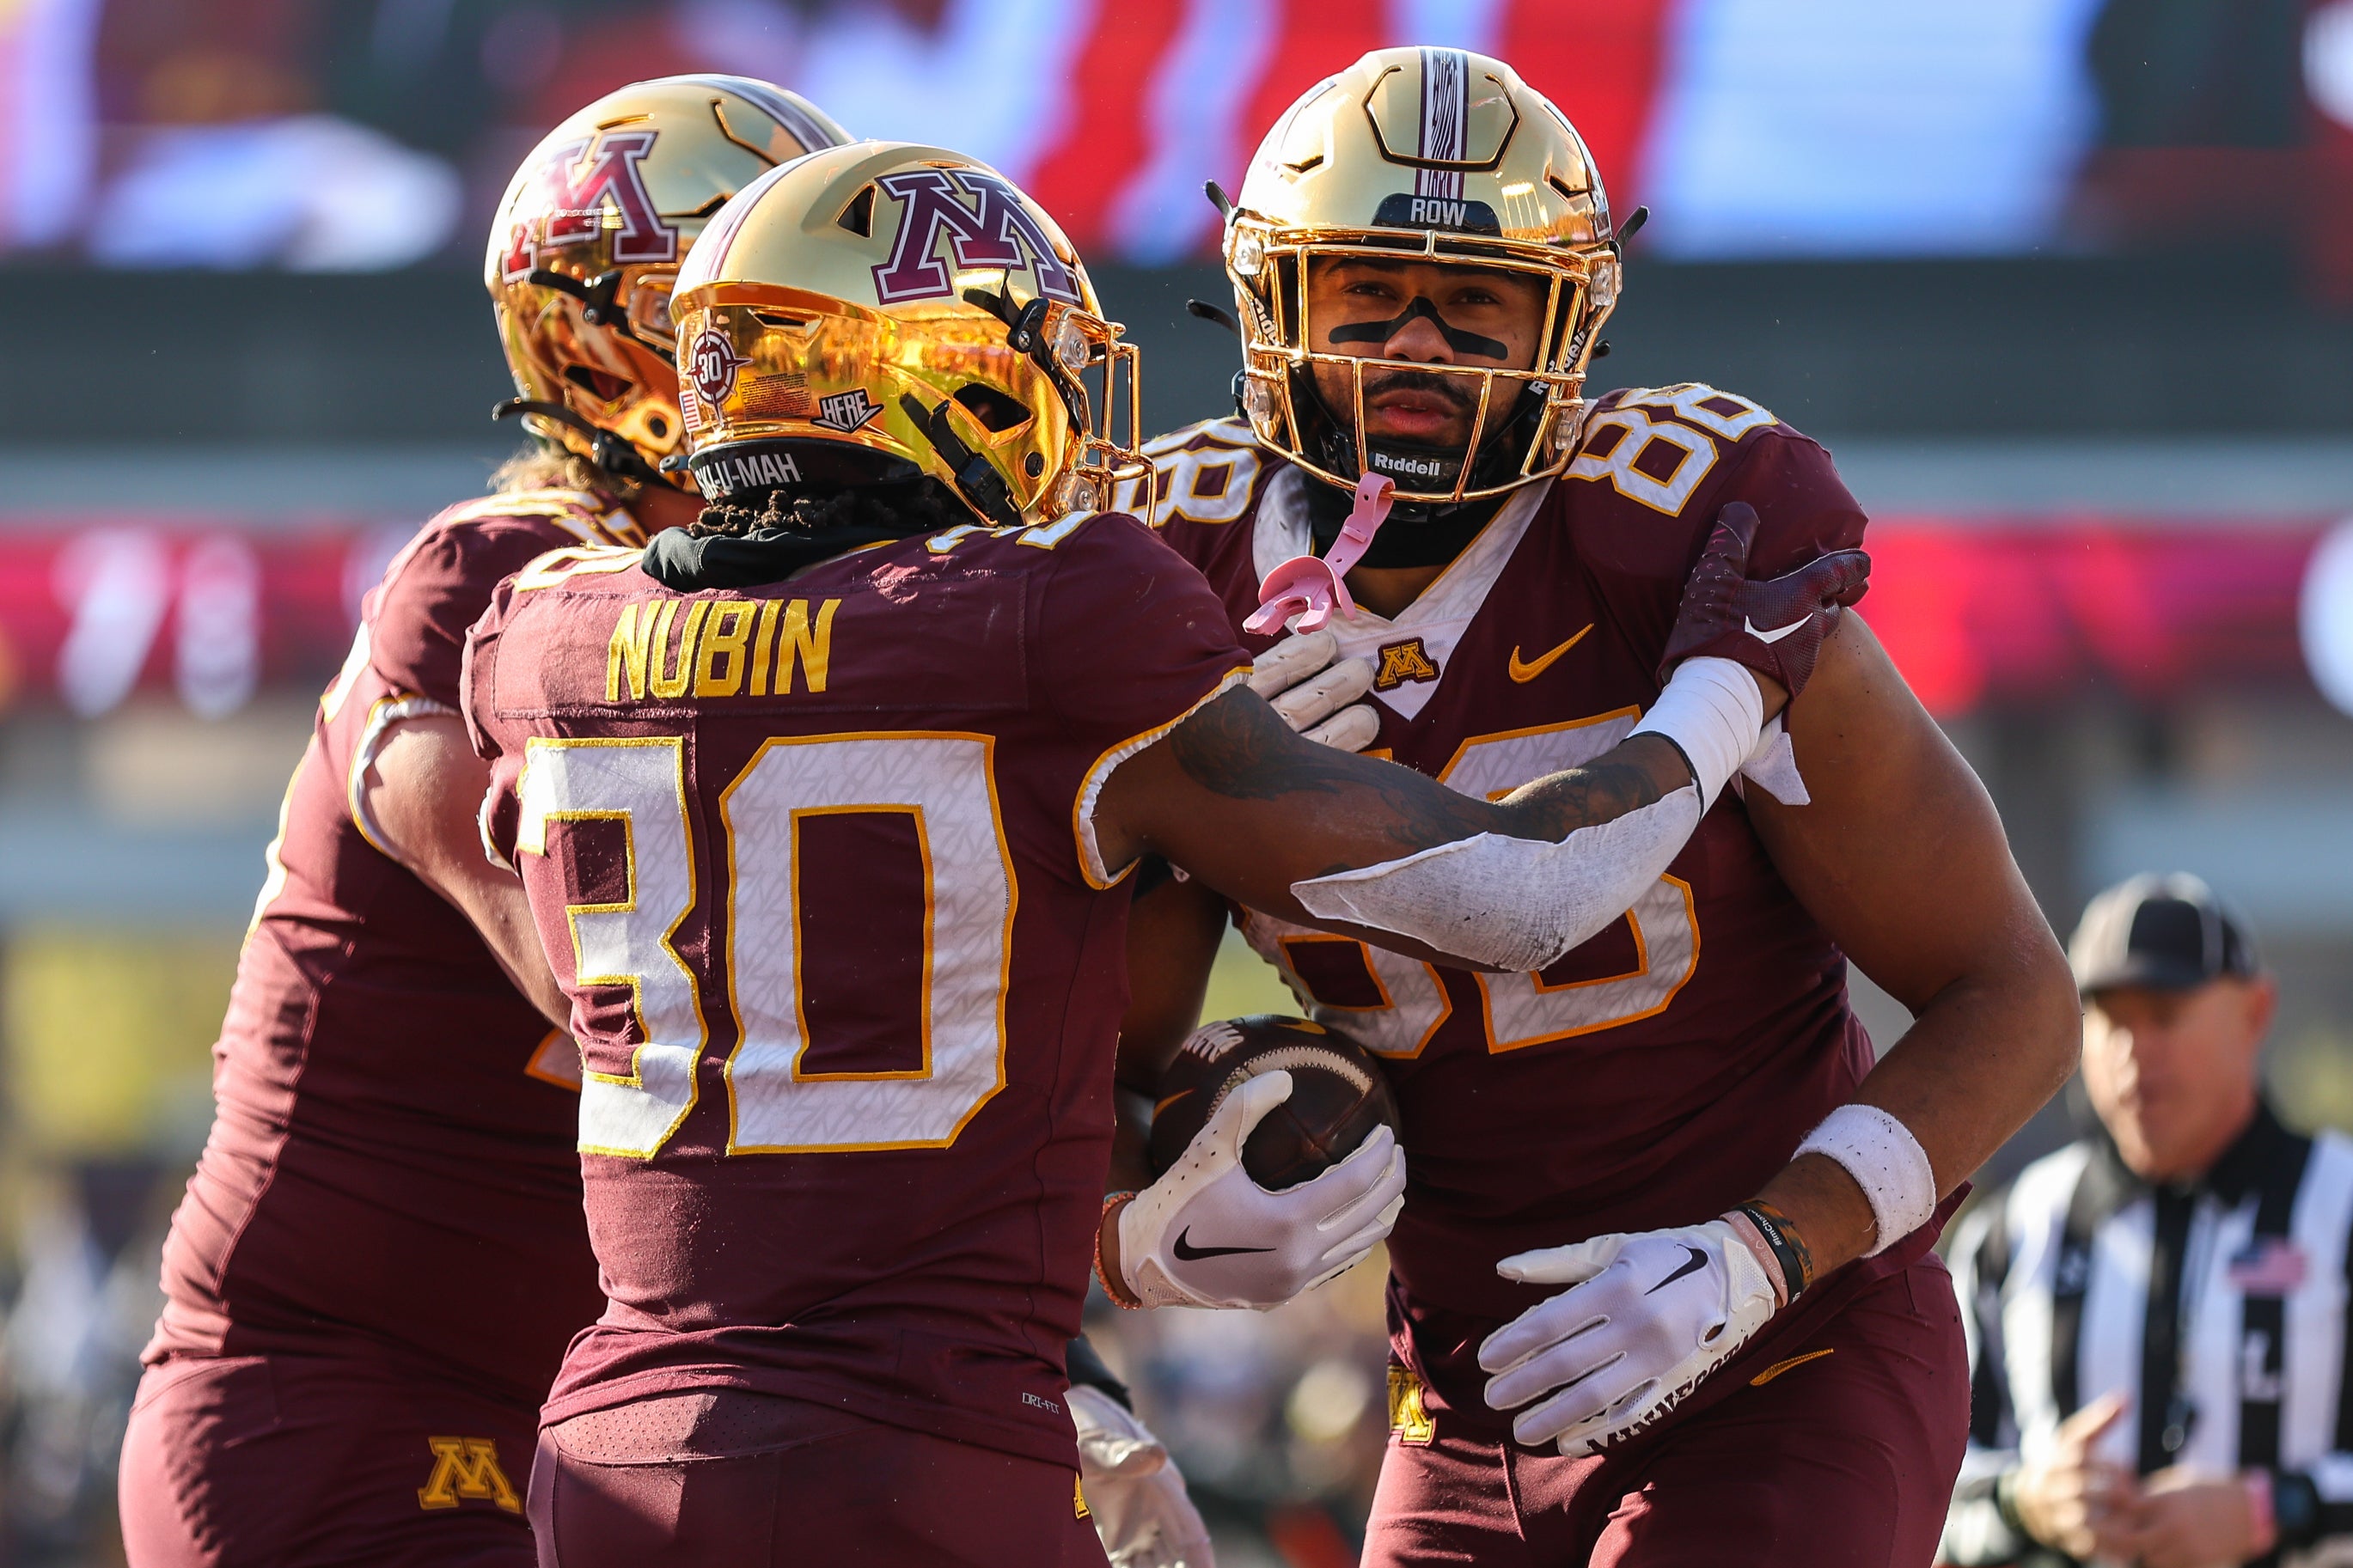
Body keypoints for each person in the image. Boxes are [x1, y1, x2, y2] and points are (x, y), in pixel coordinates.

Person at [460, 137, 1860, 1568]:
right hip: (922, 1445)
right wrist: (1724, 682)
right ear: (940, 372)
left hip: (613, 1446)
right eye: (1033, 364)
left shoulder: (537, 638)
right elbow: (1528, 894)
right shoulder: (1058, 616)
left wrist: (1125, 1241)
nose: (1061, 408)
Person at [1106, 46, 2083, 1566]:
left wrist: (1765, 1252)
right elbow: (1103, 1061)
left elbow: (2009, 994)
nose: (1417, 346)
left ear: (1565, 322)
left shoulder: (1683, 540)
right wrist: (1157, 1215)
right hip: (1460, 1402)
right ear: (1271, 305)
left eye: (1476, 302)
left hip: (1778, 1359)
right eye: (1366, 291)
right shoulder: (1173, 576)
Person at [115, 77, 849, 1568]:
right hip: (343, 1395)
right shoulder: (495, 585)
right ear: (615, 344)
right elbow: (634, 1001)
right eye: (768, 320)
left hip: (588, 1415)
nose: (831, 364)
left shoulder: (844, 623)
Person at [1941, 873, 2353, 1568]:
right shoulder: (2012, 1231)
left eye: (2163, 1014)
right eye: (2105, 1016)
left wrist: (2273, 1508)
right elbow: (1916, 1489)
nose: (2133, 1053)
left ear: (2255, 1013)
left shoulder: (2340, 1206)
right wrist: (2027, 1499)